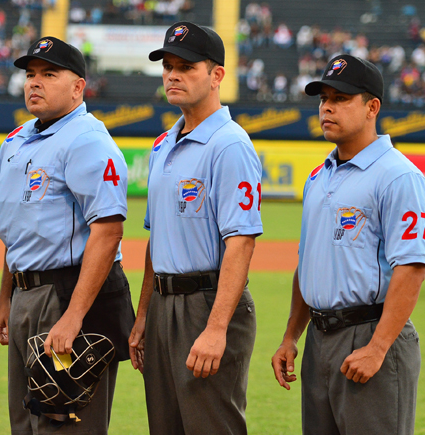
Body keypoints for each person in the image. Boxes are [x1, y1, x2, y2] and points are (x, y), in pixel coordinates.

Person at [271, 54, 425, 435]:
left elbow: (411, 268)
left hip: (371, 333)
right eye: (323, 97)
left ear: (371, 107)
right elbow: (308, 262)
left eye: (341, 98)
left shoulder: (398, 176)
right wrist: (291, 337)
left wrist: (378, 348)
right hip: (319, 340)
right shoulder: (318, 176)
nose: (327, 106)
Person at [0, 36, 135, 434]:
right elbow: (16, 229)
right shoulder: (16, 140)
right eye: (31, 74)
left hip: (67, 296)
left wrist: (74, 316)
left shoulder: (88, 141)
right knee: (26, 424)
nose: (34, 82)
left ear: (78, 88)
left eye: (49, 74)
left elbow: (107, 233)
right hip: (27, 294)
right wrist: (7, 297)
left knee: (67, 426)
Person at [128, 22, 263, 435]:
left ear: (216, 75)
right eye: (168, 66)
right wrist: (144, 314)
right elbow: (159, 239)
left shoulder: (231, 145)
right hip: (165, 306)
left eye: (186, 66)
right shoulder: (163, 144)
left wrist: (217, 328)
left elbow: (240, 242)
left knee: (211, 426)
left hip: (207, 304)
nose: (173, 74)